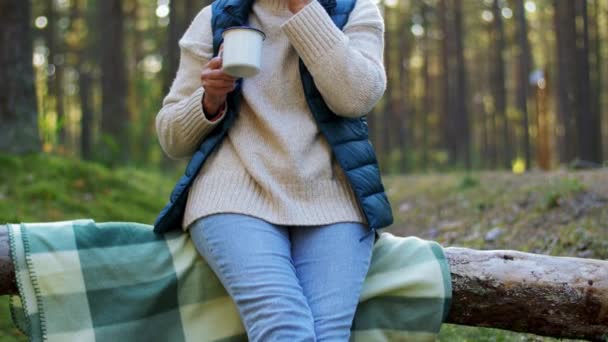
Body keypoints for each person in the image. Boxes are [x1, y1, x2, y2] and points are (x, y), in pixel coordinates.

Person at [155, 0, 387, 339]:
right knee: (284, 327)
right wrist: (208, 99)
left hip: (332, 196)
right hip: (231, 195)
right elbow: (171, 138)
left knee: (327, 334)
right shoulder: (216, 18)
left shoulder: (355, 11)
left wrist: (304, 9)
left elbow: (355, 98)